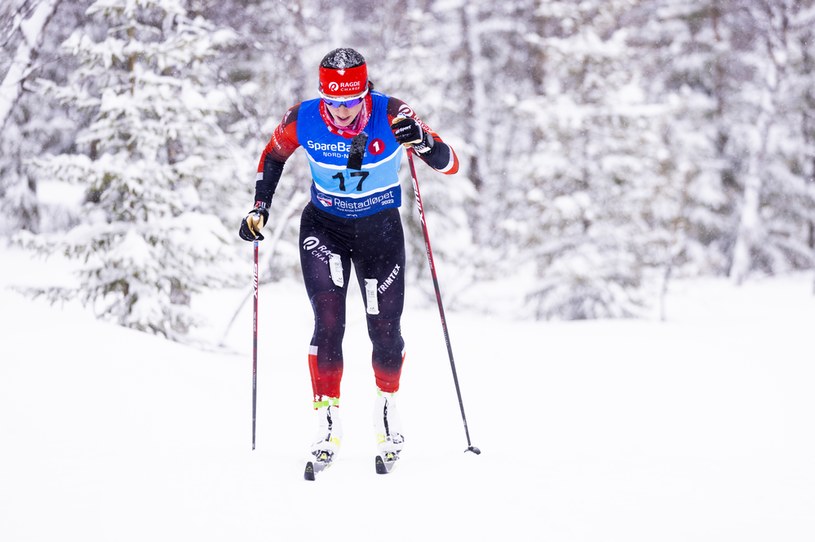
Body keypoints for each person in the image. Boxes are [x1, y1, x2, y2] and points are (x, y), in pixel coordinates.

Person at [239, 47, 459, 467]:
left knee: (385, 330)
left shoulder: (393, 113)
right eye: (333, 101)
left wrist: (424, 142)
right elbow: (273, 155)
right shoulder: (302, 118)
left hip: (380, 231)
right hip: (326, 228)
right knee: (328, 322)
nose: (341, 112)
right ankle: (326, 423)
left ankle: (387, 412)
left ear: (364, 93)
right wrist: (259, 206)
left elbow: (450, 164)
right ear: (323, 95)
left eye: (351, 101)